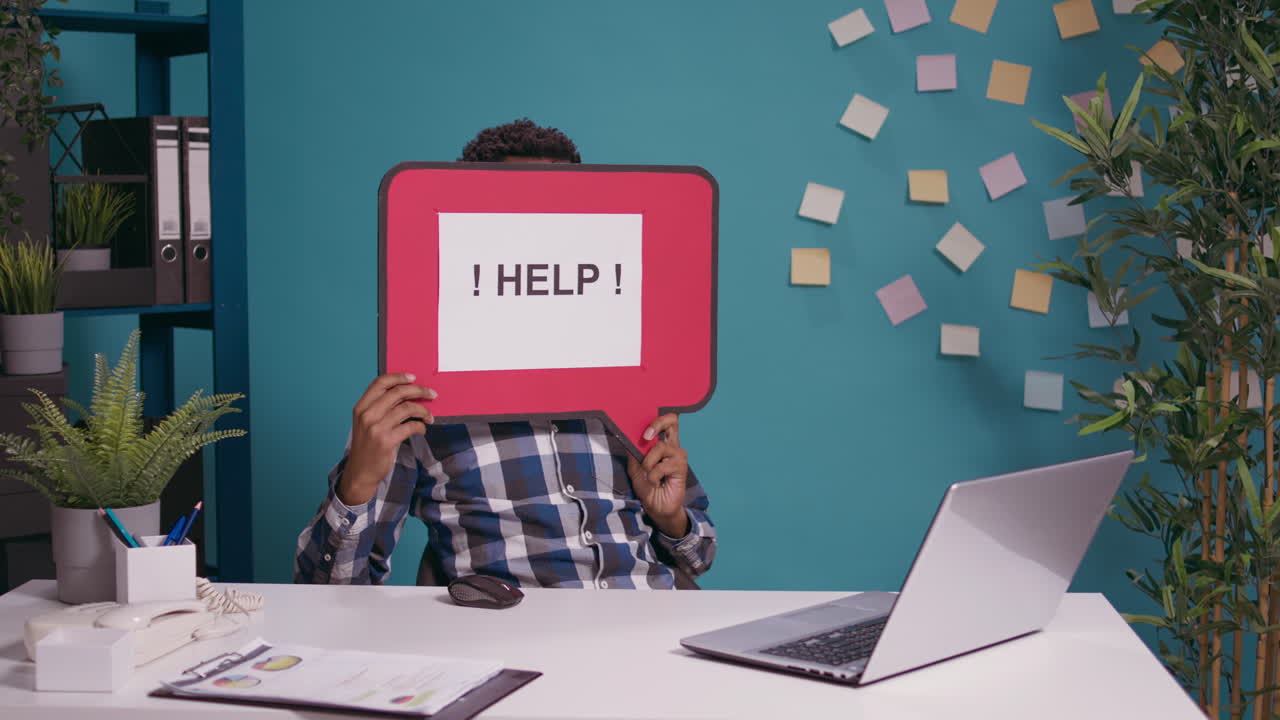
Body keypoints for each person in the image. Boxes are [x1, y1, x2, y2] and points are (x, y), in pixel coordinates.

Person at [295, 119, 716, 589]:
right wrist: (356, 486)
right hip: (515, 636)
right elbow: (327, 590)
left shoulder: (628, 377)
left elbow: (699, 556)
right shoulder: (419, 402)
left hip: (649, 627)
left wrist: (672, 518)